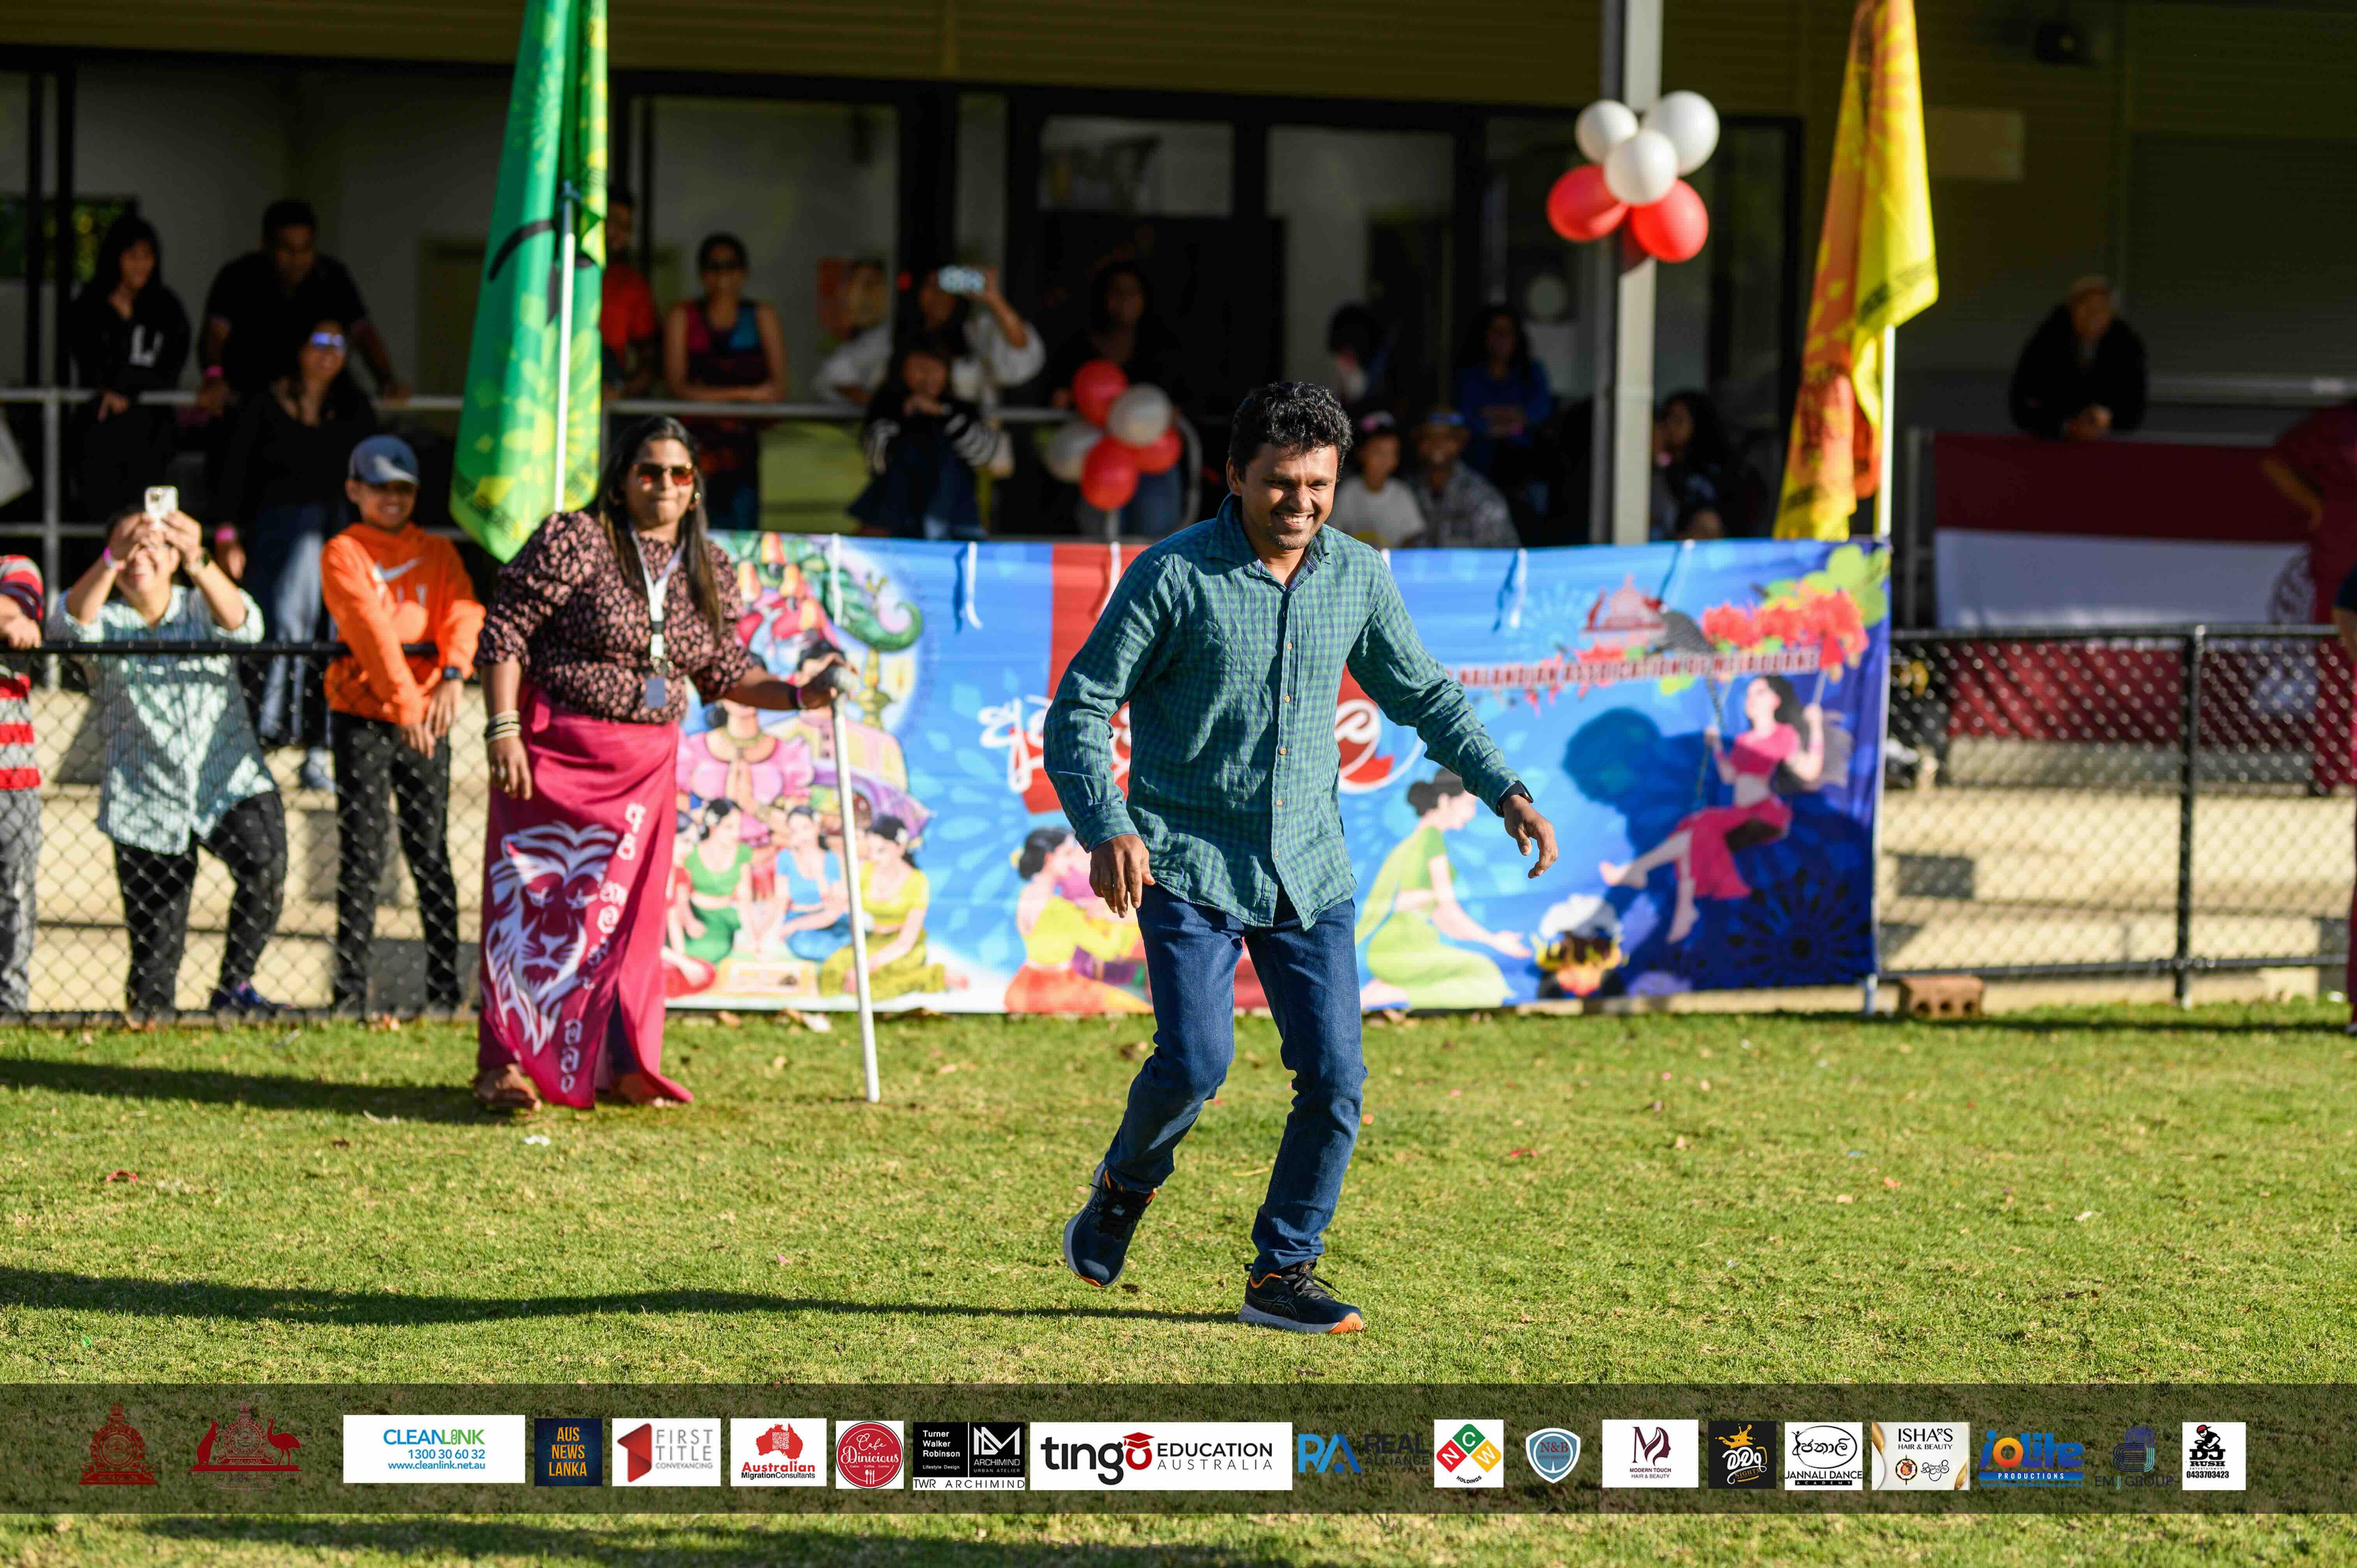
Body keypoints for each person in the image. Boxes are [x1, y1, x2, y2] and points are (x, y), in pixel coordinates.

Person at [1045, 381, 1560, 1333]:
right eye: (1280, 483)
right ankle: (1123, 1184)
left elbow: (1425, 694)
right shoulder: (1173, 575)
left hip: (1309, 870)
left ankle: (1282, 1272)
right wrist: (1105, 821)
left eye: (1318, 485)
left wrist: (1504, 786)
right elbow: (1081, 705)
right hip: (1186, 862)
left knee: (1335, 1076)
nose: (1301, 503)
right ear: (1234, 475)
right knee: (1197, 1062)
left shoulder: (1358, 574)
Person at [472, 415, 843, 1113]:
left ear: (697, 486)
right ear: (622, 479)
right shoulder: (575, 540)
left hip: (646, 762)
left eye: (679, 473)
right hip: (556, 754)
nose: (664, 484)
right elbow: (505, 628)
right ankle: (506, 1065)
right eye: (648, 470)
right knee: (532, 905)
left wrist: (799, 693)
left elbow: (723, 669)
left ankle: (625, 1063)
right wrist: (502, 726)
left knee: (628, 922)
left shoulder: (709, 568)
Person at [60, 505, 283, 1017]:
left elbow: (247, 628)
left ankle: (235, 987)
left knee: (266, 867)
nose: (141, 556)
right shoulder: (105, 617)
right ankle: (151, 1023)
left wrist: (199, 557)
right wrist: (110, 561)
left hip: (227, 781)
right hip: (145, 797)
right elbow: (69, 629)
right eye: (129, 545)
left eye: (153, 546)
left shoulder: (200, 601)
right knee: (155, 956)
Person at [318, 435, 484, 1014]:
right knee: (362, 854)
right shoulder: (343, 549)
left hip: (426, 717)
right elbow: (367, 626)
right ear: (354, 489)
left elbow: (463, 610)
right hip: (365, 715)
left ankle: (444, 989)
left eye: (403, 489)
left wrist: (455, 674)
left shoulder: (438, 551)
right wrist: (408, 705)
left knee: (430, 853)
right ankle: (348, 993)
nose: (393, 499)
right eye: (381, 487)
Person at [216, 318, 376, 788]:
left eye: (340, 344)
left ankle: (320, 749)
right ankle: (262, 740)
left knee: (336, 633)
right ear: (299, 349)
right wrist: (227, 534)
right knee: (282, 627)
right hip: (278, 540)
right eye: (320, 341)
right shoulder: (264, 405)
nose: (330, 352)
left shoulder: (354, 409)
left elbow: (370, 478)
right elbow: (235, 472)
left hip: (341, 538)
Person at [1600, 675, 1826, 943]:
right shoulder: (1744, 739)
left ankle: (1640, 872)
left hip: (1765, 814)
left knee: (1700, 825)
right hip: (1738, 815)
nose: (1752, 699)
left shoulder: (1783, 735)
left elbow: (1810, 770)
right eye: (1750, 693)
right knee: (1693, 834)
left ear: (1776, 701)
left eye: (1761, 692)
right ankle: (1683, 908)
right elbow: (1730, 776)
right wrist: (1718, 747)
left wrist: (1816, 727)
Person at [196, 199, 405, 413]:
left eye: (305, 249)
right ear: (265, 244)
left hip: (319, 404)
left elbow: (363, 333)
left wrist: (386, 380)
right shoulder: (238, 276)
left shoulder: (332, 277)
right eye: (287, 249)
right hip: (251, 398)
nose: (297, 259)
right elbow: (214, 336)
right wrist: (214, 376)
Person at [1355, 771, 1530, 1010]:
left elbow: (1442, 917)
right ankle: (1383, 995)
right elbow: (1448, 911)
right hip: (1403, 946)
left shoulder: (1418, 841)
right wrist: (1496, 942)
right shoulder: (1430, 840)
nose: (1471, 815)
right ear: (1446, 801)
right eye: (1468, 805)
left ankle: (1379, 994)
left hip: (1401, 945)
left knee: (1482, 973)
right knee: (1485, 979)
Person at [1048, 263, 1189, 537]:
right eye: (1116, 292)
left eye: (1132, 292)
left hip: (1153, 457)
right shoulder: (1078, 345)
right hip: (1096, 456)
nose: (1124, 299)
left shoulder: (1162, 344)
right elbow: (1058, 396)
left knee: (1155, 541)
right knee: (1100, 539)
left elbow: (1181, 399)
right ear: (1103, 297)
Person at [69, 215, 191, 524]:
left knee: (153, 522)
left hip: (153, 438)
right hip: (102, 437)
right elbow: (88, 362)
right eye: (132, 256)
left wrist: (126, 386)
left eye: (147, 256)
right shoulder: (93, 303)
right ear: (116, 257)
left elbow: (168, 370)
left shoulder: (167, 307)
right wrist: (121, 325)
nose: (141, 265)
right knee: (103, 522)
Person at [663, 233, 789, 531]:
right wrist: (748, 395)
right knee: (690, 527)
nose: (722, 276)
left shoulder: (761, 316)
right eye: (713, 267)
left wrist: (718, 397)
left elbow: (778, 389)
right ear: (702, 274)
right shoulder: (683, 316)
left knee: (742, 532)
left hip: (743, 447)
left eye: (730, 266)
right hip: (694, 446)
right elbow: (678, 388)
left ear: (744, 273)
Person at [2262, 400, 2357, 793]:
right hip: (2342, 558)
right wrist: (2315, 505)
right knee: (2340, 663)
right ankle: (2334, 770)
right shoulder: (2337, 424)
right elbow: (2275, 462)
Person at [820, 262, 1045, 415]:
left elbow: (1021, 359)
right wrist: (876, 402)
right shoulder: (891, 336)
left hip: (964, 445)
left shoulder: (976, 333)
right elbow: (835, 372)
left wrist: (995, 300)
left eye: (946, 286)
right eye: (930, 286)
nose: (938, 295)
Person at [850, 337, 1004, 540]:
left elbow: (983, 456)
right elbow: (877, 464)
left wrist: (942, 414)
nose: (928, 376)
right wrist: (904, 415)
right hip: (898, 521)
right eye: (920, 368)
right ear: (902, 372)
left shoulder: (961, 408)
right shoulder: (886, 407)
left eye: (936, 368)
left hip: (957, 522)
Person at [1004, 825, 1148, 1015]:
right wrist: (1118, 920)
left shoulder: (1027, 894)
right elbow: (1110, 952)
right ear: (1049, 858)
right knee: (1136, 1006)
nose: (1072, 861)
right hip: (1057, 989)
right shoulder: (1061, 910)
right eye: (1068, 853)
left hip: (1024, 983)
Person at [815, 814, 952, 1000]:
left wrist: (867, 966)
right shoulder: (864, 871)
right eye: (871, 850)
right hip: (872, 941)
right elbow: (840, 903)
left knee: (874, 982)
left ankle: (933, 976)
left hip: (903, 947)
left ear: (900, 848)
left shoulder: (918, 882)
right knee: (832, 971)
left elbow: (906, 941)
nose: (874, 857)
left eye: (881, 851)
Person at [2008, 275, 2147, 442]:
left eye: (2101, 309)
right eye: (2086, 307)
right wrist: (2066, 425)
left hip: (2109, 447)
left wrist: (2105, 418)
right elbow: (2023, 404)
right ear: (2072, 309)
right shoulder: (2046, 341)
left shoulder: (2127, 346)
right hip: (2050, 445)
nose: (2093, 316)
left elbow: (2134, 406)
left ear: (2112, 314)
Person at [0, 553, 42, 1012]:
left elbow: (19, 610)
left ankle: (10, 1013)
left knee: (13, 901)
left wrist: (12, 616)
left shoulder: (14, 567)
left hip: (9, 775)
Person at [1451, 306, 1554, 486]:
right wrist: (1516, 420)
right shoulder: (1469, 375)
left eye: (1508, 332)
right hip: (1478, 463)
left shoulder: (1532, 371)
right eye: (1496, 331)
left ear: (1517, 338)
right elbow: (1466, 420)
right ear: (1484, 336)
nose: (1502, 338)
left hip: (1524, 462)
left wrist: (1489, 413)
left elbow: (1540, 412)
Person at [1408, 409, 1518, 548]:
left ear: (1461, 442)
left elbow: (1505, 558)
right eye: (1429, 436)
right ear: (1418, 441)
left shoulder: (1483, 496)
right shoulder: (1403, 492)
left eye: (1447, 437)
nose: (1437, 443)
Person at [1650, 389, 1744, 540]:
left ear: (1698, 424)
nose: (1669, 427)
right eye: (1667, 419)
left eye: (1679, 421)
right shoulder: (1664, 466)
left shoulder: (1715, 471)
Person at [600, 188, 662, 401]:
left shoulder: (631, 283)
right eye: (614, 222)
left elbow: (649, 358)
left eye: (627, 227)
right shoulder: (555, 269)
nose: (621, 234)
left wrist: (621, 391)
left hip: (608, 389)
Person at [1327, 412, 1424, 547]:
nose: (1384, 461)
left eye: (1391, 454)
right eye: (1378, 452)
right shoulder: (1347, 493)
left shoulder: (1402, 494)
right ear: (1362, 453)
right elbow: (1333, 536)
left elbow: (1412, 539)